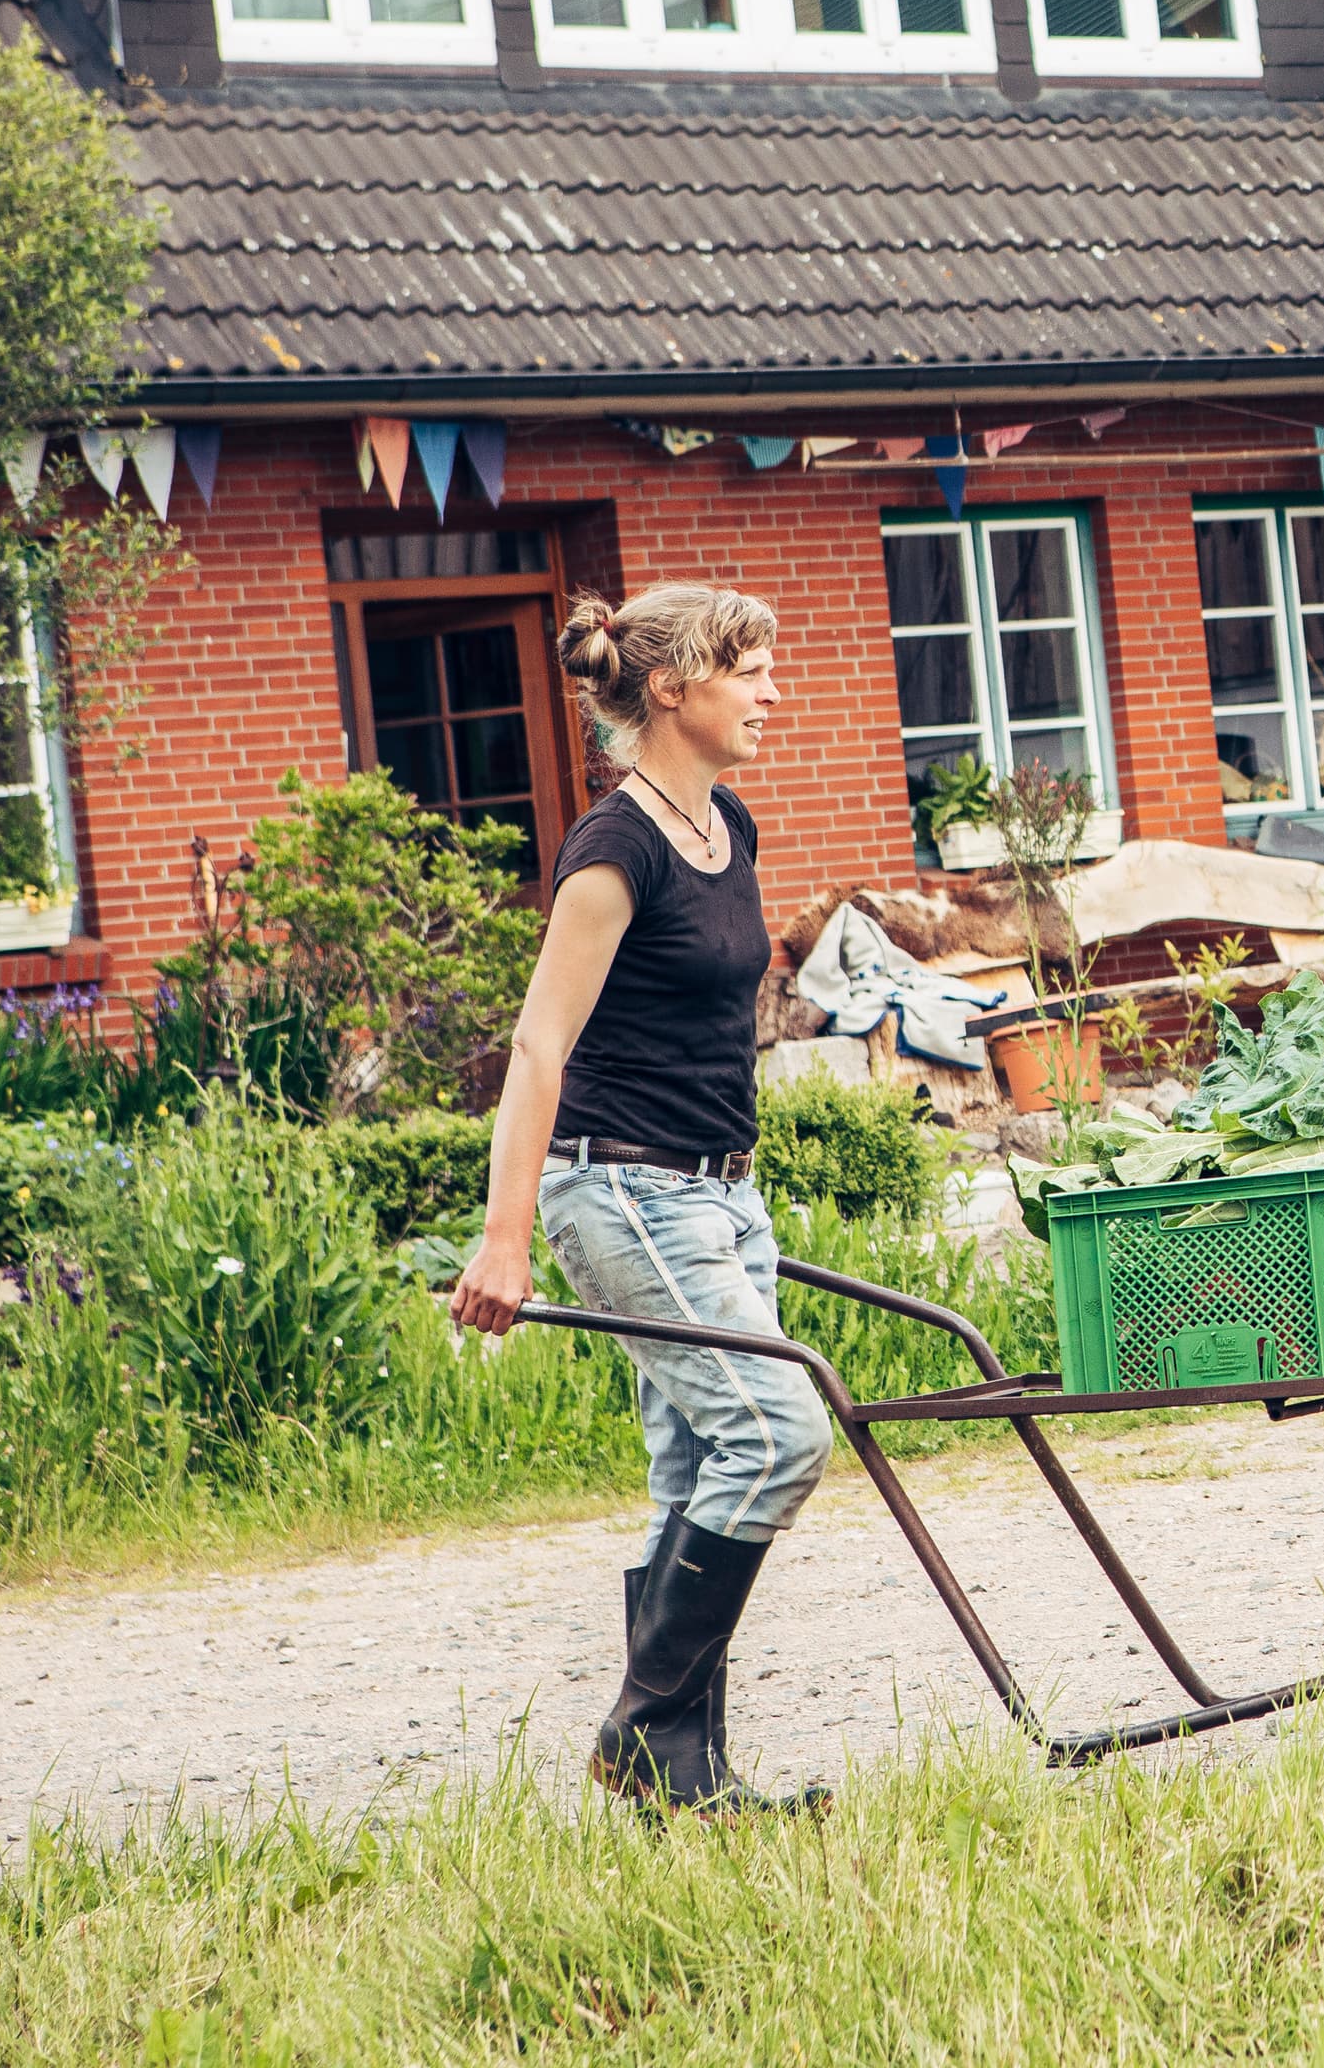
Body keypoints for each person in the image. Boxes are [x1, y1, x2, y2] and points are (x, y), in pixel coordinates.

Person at [448, 583, 828, 1818]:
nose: (773, 691)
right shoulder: (616, 851)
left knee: (697, 1470)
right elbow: (539, 1049)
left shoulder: (732, 826)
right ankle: (640, 1728)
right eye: (751, 671)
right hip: (621, 1189)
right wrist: (507, 1240)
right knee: (777, 1433)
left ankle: (685, 1784)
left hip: (720, 1196)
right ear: (671, 689)